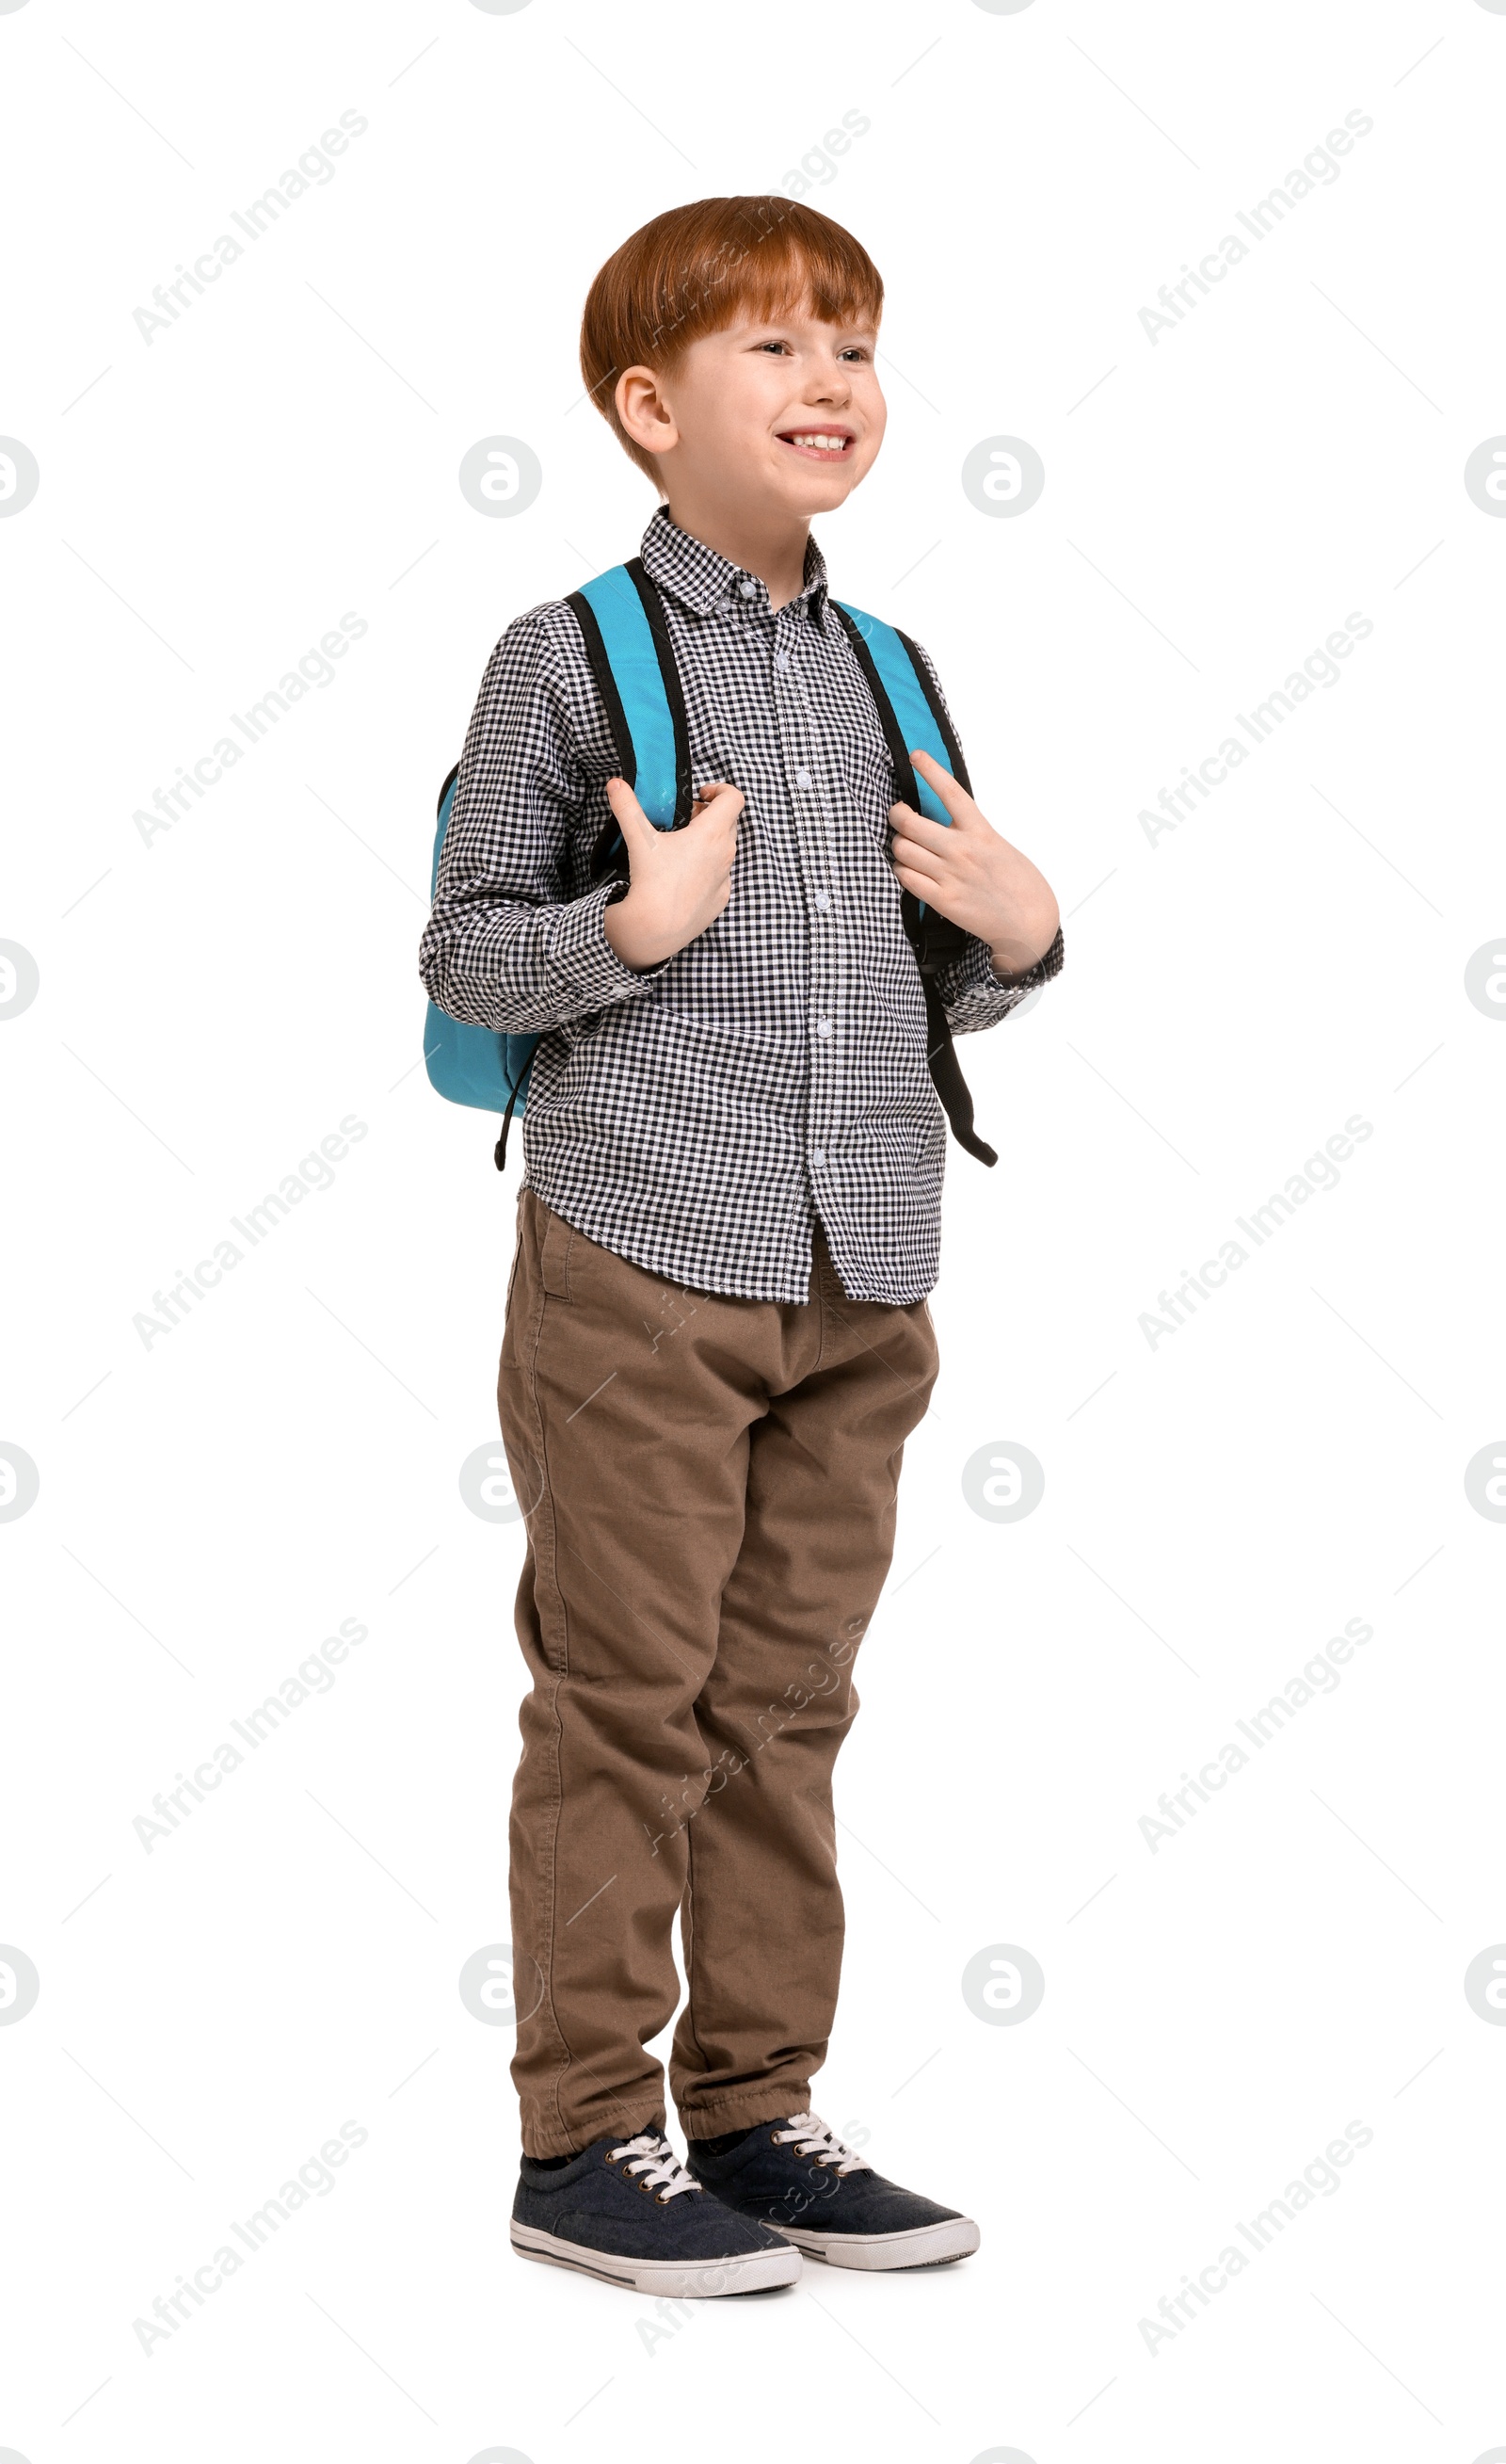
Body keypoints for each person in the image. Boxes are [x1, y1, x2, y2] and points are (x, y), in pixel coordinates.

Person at [419, 195, 1063, 2298]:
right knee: (627, 1696)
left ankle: (757, 2109)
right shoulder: (565, 656)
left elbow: (905, 972)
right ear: (642, 406)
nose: (828, 385)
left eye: (852, 346)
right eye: (773, 348)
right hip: (639, 1254)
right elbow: (457, 949)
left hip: (863, 1255)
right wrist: (626, 930)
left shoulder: (889, 665)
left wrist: (1020, 940)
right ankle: (581, 2136)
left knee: (787, 1700)